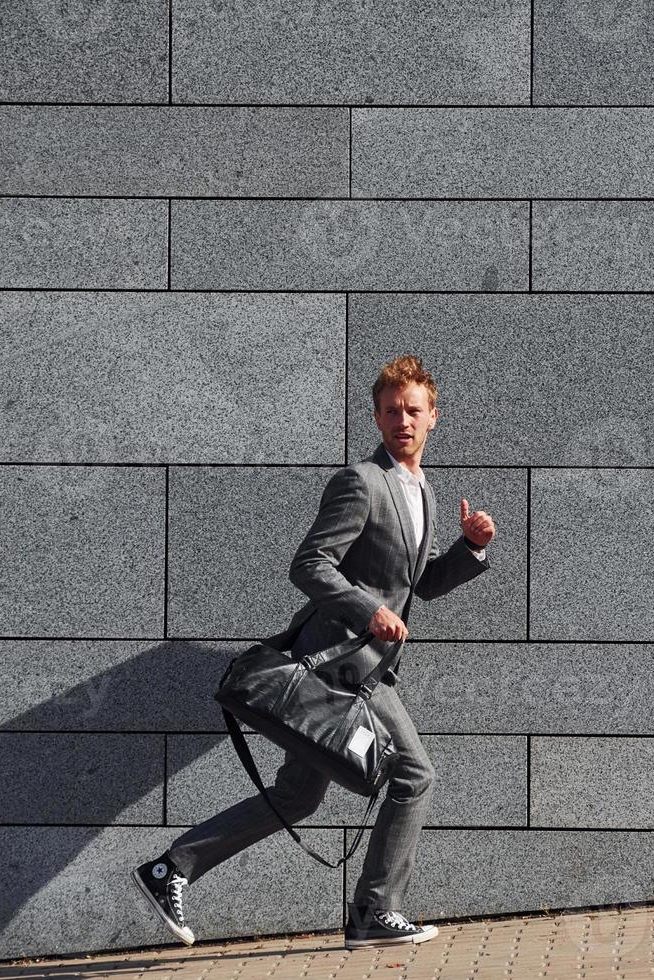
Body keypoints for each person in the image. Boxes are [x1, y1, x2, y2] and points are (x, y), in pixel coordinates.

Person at [132, 355, 496, 950]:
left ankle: (171, 868)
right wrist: (366, 610)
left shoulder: (423, 491)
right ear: (377, 417)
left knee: (298, 795)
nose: (401, 419)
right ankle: (375, 911)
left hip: (369, 668)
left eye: (412, 410)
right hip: (338, 667)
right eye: (390, 410)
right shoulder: (362, 481)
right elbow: (309, 564)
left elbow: (418, 584)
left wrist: (470, 550)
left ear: (434, 417)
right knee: (414, 774)